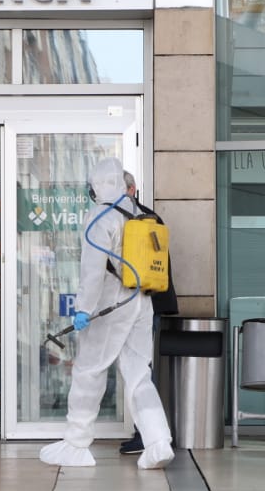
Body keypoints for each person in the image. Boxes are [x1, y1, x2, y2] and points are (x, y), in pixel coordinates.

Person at [41, 157, 174, 471]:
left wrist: (83, 309)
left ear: (97, 185)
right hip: (142, 302)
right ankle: (157, 442)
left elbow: (92, 271)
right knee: (139, 375)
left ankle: (76, 444)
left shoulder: (101, 217)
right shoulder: (140, 213)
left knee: (89, 370)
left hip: (111, 304)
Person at [116, 169, 178, 457]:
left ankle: (149, 434)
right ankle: (150, 434)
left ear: (131, 189)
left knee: (139, 371)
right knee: (141, 370)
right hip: (147, 303)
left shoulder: (132, 220)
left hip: (137, 304)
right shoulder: (148, 217)